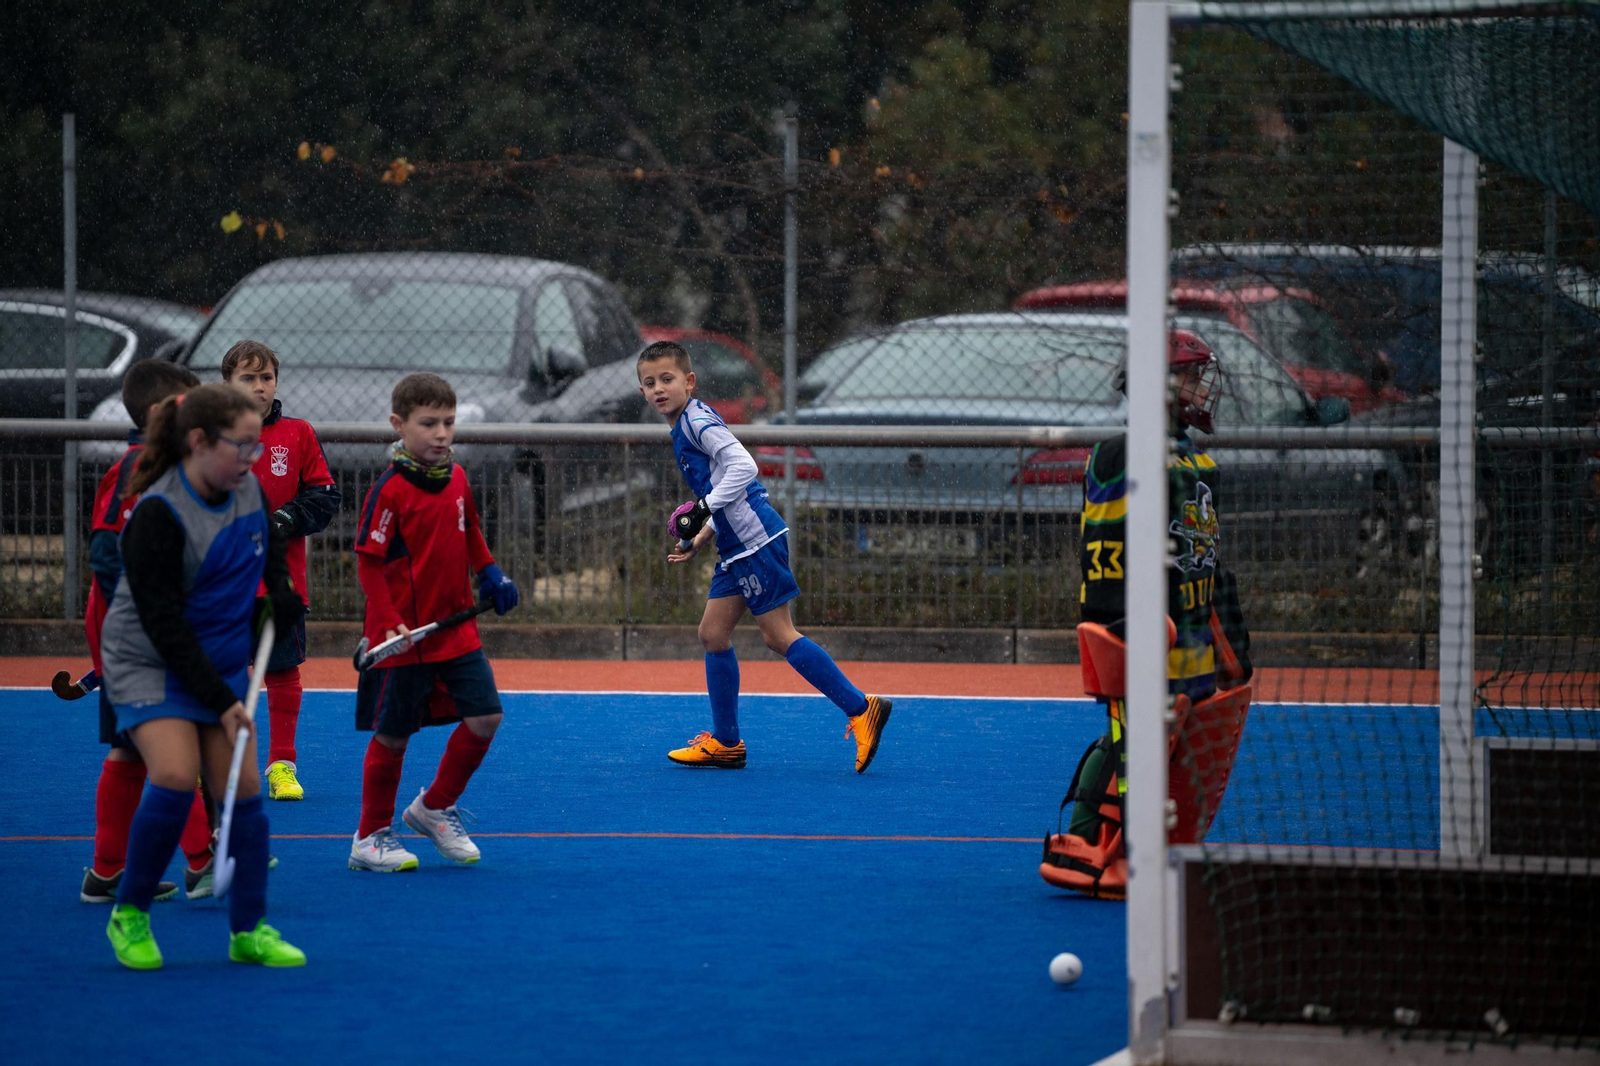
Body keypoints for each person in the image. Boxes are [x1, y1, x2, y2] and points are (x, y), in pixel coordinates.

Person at [1040, 328, 1252, 899]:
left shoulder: (1196, 459)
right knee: (1132, 745)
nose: (1197, 388)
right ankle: (1094, 841)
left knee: (1173, 749)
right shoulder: (1124, 454)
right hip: (1144, 637)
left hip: (1193, 638)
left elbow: (1201, 554)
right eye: (1187, 375)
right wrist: (1119, 628)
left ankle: (1156, 845)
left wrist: (1225, 618)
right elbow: (1105, 551)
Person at [100, 383, 305, 969]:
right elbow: (163, 624)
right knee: (173, 773)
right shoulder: (159, 513)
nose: (251, 459)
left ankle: (249, 929)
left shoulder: (250, 492)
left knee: (242, 791)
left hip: (216, 658)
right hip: (148, 661)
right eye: (240, 447)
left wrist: (280, 600)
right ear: (198, 441)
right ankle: (130, 913)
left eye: (257, 448)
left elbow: (269, 562)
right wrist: (221, 699)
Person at [637, 340, 892, 771]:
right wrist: (703, 533)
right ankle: (726, 743)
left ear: (689, 381)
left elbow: (744, 468)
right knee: (713, 633)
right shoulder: (683, 425)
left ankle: (860, 707)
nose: (658, 388)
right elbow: (725, 486)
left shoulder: (696, 421)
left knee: (777, 635)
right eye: (649, 383)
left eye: (667, 379)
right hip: (735, 543)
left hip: (756, 540)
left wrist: (702, 509)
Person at [348, 372, 519, 873]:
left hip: (457, 630)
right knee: (393, 735)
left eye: (448, 421)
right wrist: (387, 622)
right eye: (429, 423)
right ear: (399, 425)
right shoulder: (390, 490)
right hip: (406, 640)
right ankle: (370, 836)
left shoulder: (458, 477)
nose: (442, 433)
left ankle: (434, 806)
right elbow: (369, 561)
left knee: (486, 717)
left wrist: (490, 573)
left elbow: (470, 535)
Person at [79, 360, 216, 905]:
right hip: (135, 640)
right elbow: (106, 552)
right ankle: (204, 861)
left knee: (132, 749)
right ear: (164, 414)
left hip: (143, 635)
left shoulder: (175, 468)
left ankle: (106, 871)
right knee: (172, 747)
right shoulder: (139, 467)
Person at [220, 340, 341, 802]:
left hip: (279, 584)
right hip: (221, 586)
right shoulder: (209, 435)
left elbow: (325, 497)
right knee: (221, 673)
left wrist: (287, 519)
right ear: (228, 383)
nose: (259, 386)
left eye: (266, 377)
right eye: (247, 378)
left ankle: (282, 766)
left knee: (282, 671)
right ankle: (215, 758)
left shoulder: (298, 434)